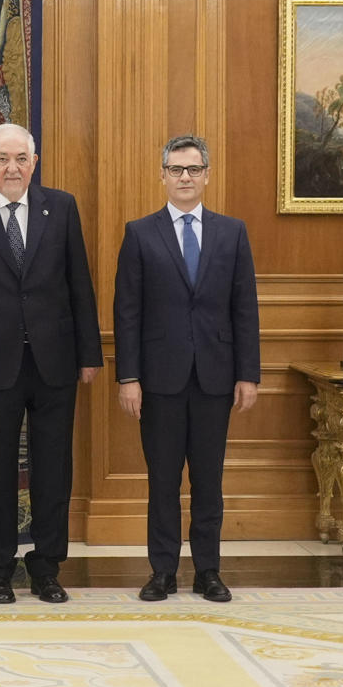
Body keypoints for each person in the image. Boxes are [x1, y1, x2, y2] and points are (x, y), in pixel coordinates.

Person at [0, 123, 102, 604]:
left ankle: (47, 567)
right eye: (4, 159)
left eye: (22, 159)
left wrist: (89, 354)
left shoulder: (63, 206)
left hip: (55, 361)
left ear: (35, 163)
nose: (13, 168)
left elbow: (80, 283)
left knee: (54, 468)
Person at [113, 135, 260, 603]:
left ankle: (208, 572)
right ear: (162, 175)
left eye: (193, 170)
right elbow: (127, 311)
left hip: (216, 377)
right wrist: (128, 377)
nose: (184, 178)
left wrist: (248, 374)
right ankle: (162, 572)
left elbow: (245, 309)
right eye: (176, 169)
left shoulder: (232, 232)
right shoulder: (139, 233)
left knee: (208, 480)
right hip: (158, 379)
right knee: (162, 479)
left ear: (206, 176)